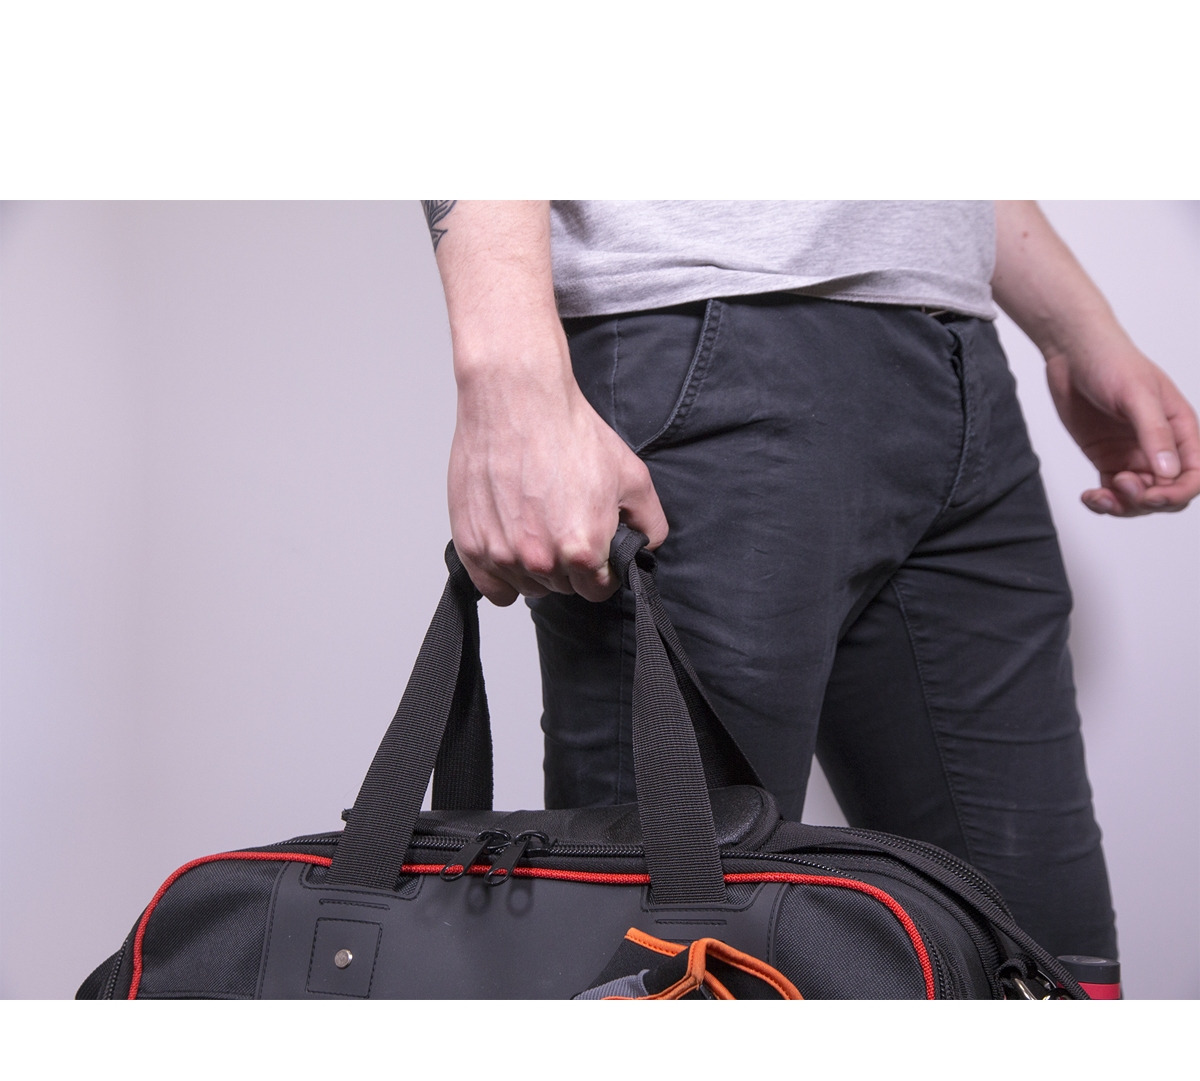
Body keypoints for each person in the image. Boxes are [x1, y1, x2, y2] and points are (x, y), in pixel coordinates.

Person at [422, 200, 1199, 961]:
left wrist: (1078, 332)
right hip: (706, 343)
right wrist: (505, 376)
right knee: (671, 953)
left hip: (960, 357)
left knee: (1039, 954)